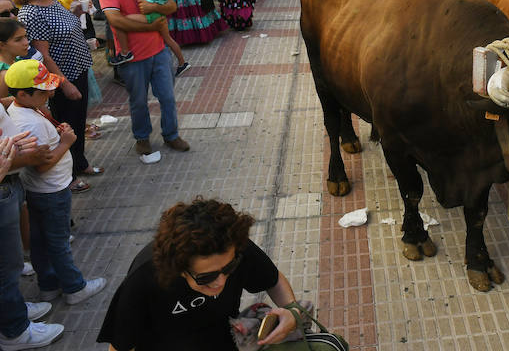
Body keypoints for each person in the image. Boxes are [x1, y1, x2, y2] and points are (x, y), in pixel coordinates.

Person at [98, 198, 309, 350]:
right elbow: (120, 346)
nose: (221, 281)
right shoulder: (143, 279)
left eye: (229, 269)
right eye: (206, 277)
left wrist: (292, 311)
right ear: (178, 266)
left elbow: (272, 280)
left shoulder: (233, 247)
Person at [6, 59, 107, 306]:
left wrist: (55, 129)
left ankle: (48, 286)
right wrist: (66, 142)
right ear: (22, 93)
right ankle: (75, 287)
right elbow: (42, 163)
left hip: (37, 190)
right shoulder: (30, 123)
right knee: (58, 242)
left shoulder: (22, 110)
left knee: (40, 242)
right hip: (52, 190)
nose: (50, 93)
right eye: (43, 90)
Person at [10, 0, 100, 192]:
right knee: (65, 124)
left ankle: (79, 162)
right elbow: (44, 55)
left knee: (78, 121)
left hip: (79, 68)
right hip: (61, 78)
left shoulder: (52, 2)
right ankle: (68, 176)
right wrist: (64, 83)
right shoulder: (31, 13)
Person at [97, 0, 189, 164]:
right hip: (132, 57)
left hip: (159, 51)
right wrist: (153, 25)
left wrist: (153, 10)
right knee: (138, 101)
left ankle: (171, 135)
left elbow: (171, 6)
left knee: (167, 97)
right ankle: (142, 137)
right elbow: (115, 21)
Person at [0, 120, 64, 350]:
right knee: (6, 268)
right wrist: (25, 158)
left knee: (11, 263)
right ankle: (14, 330)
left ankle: (12, 308)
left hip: (8, 181)